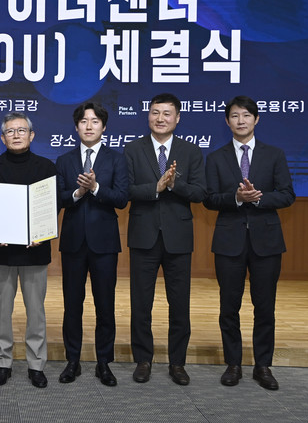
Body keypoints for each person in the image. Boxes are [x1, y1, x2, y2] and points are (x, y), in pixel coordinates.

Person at [204, 96, 295, 390]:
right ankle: (233, 364)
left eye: (246, 115)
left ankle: (263, 366)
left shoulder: (274, 155)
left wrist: (258, 199)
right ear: (227, 121)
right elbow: (209, 199)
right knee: (228, 307)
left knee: (264, 306)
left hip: (266, 242)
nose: (240, 120)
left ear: (257, 119)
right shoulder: (215, 158)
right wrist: (235, 198)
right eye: (234, 115)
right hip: (229, 241)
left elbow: (287, 194)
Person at [124, 92, 206, 386]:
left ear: (177, 118)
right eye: (155, 112)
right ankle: (143, 360)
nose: (160, 118)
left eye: (167, 113)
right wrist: (155, 188)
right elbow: (126, 190)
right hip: (143, 236)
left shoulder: (191, 151)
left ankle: (177, 362)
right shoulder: (132, 149)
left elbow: (200, 193)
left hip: (178, 238)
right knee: (141, 304)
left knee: (179, 304)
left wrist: (174, 185)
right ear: (148, 115)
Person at [0, 112, 57, 389]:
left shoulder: (46, 167)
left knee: (36, 312)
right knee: (2, 311)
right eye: (10, 131)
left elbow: (52, 206)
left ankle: (36, 364)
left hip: (36, 251)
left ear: (31, 135)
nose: (16, 135)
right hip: (3, 252)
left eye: (22, 130)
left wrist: (42, 233)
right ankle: (3, 363)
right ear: (3, 138)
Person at [55, 102, 128, 387]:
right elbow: (58, 198)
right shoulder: (64, 160)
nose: (89, 126)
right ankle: (72, 361)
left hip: (105, 244)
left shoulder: (116, 159)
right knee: (72, 305)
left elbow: (121, 198)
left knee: (105, 305)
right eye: (84, 121)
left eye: (95, 121)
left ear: (104, 127)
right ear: (76, 127)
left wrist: (95, 188)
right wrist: (78, 192)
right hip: (73, 243)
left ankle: (104, 363)